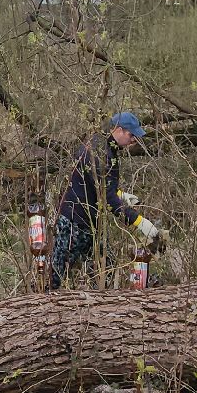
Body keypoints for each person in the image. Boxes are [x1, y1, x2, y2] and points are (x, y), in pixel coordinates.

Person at [49, 111, 159, 289]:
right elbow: (107, 198)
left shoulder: (104, 145)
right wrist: (139, 221)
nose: (134, 140)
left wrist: (120, 194)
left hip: (88, 222)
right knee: (56, 274)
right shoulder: (101, 153)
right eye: (131, 135)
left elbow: (100, 184)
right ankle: (42, 300)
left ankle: (95, 301)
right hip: (74, 222)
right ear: (119, 130)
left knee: (105, 265)